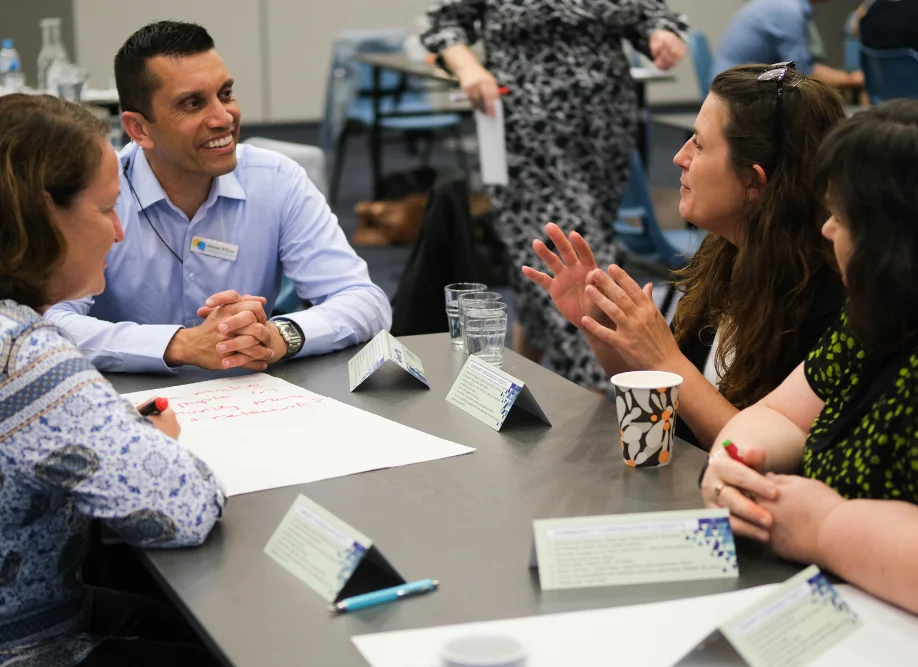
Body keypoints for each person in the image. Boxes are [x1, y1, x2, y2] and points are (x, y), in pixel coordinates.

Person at [701, 101, 918, 630]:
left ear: (895, 237)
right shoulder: (886, 305)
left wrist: (826, 526)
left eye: (842, 216)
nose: (828, 230)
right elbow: (784, 416)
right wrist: (737, 461)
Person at [0, 94, 226, 665]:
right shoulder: (27, 355)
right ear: (48, 213)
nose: (119, 233)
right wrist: (156, 446)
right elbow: (182, 509)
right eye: (105, 210)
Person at [525, 64, 846, 450]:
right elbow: (671, 408)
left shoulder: (832, 299)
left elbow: (753, 453)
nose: (678, 157)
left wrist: (664, 358)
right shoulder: (725, 256)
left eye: (698, 144)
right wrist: (604, 330)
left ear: (754, 182)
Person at [45, 21, 391, 374]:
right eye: (193, 104)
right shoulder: (99, 192)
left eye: (225, 94)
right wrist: (179, 344)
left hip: (249, 401)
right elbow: (47, 325)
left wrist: (279, 335)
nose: (224, 118)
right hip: (130, 405)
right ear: (138, 129)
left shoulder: (275, 180)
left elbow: (366, 301)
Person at [421, 1, 688, 392]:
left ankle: (512, 388)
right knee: (574, 255)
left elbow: (651, 15)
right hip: (527, 132)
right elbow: (443, 23)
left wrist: (661, 36)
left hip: (603, 135)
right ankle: (603, 393)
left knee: (547, 260)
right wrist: (469, 68)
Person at [712, 0, 864, 90]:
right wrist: (856, 79)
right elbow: (802, 73)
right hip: (735, 93)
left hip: (735, 85)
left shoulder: (786, 5)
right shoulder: (788, 10)